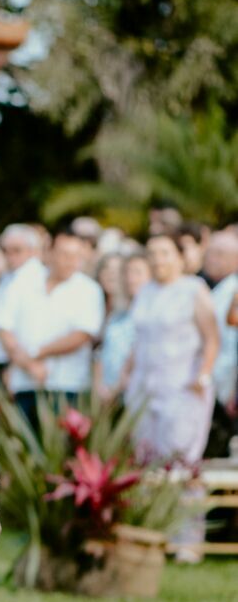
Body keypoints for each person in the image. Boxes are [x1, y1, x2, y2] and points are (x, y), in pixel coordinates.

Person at [124, 232, 220, 562]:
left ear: (180, 257)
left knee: (182, 463)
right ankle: (154, 534)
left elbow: (211, 338)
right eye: (152, 253)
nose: (158, 260)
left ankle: (188, 542)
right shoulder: (146, 292)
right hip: (144, 388)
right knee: (147, 461)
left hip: (182, 388)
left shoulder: (194, 290)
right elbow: (137, 342)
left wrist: (203, 375)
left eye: (165, 252)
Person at [0, 227, 105, 428]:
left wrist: (36, 353)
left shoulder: (89, 290)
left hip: (67, 386)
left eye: (77, 255)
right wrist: (28, 364)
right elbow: (4, 329)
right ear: (49, 253)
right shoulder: (23, 282)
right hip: (23, 384)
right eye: (65, 254)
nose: (71, 261)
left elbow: (82, 335)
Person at [0, 223, 45, 371]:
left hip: (18, 365)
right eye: (6, 251)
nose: (10, 256)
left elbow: (7, 329)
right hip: (5, 362)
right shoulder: (9, 278)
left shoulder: (35, 278)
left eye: (17, 250)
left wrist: (25, 365)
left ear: (32, 251)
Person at [203, 231, 238, 455]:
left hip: (228, 385)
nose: (212, 259)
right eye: (210, 253)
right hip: (213, 382)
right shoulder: (212, 288)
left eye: (220, 254)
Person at [93, 250, 134, 399]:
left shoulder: (129, 311)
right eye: (107, 269)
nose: (112, 275)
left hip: (119, 388)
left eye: (117, 271)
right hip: (92, 384)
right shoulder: (91, 303)